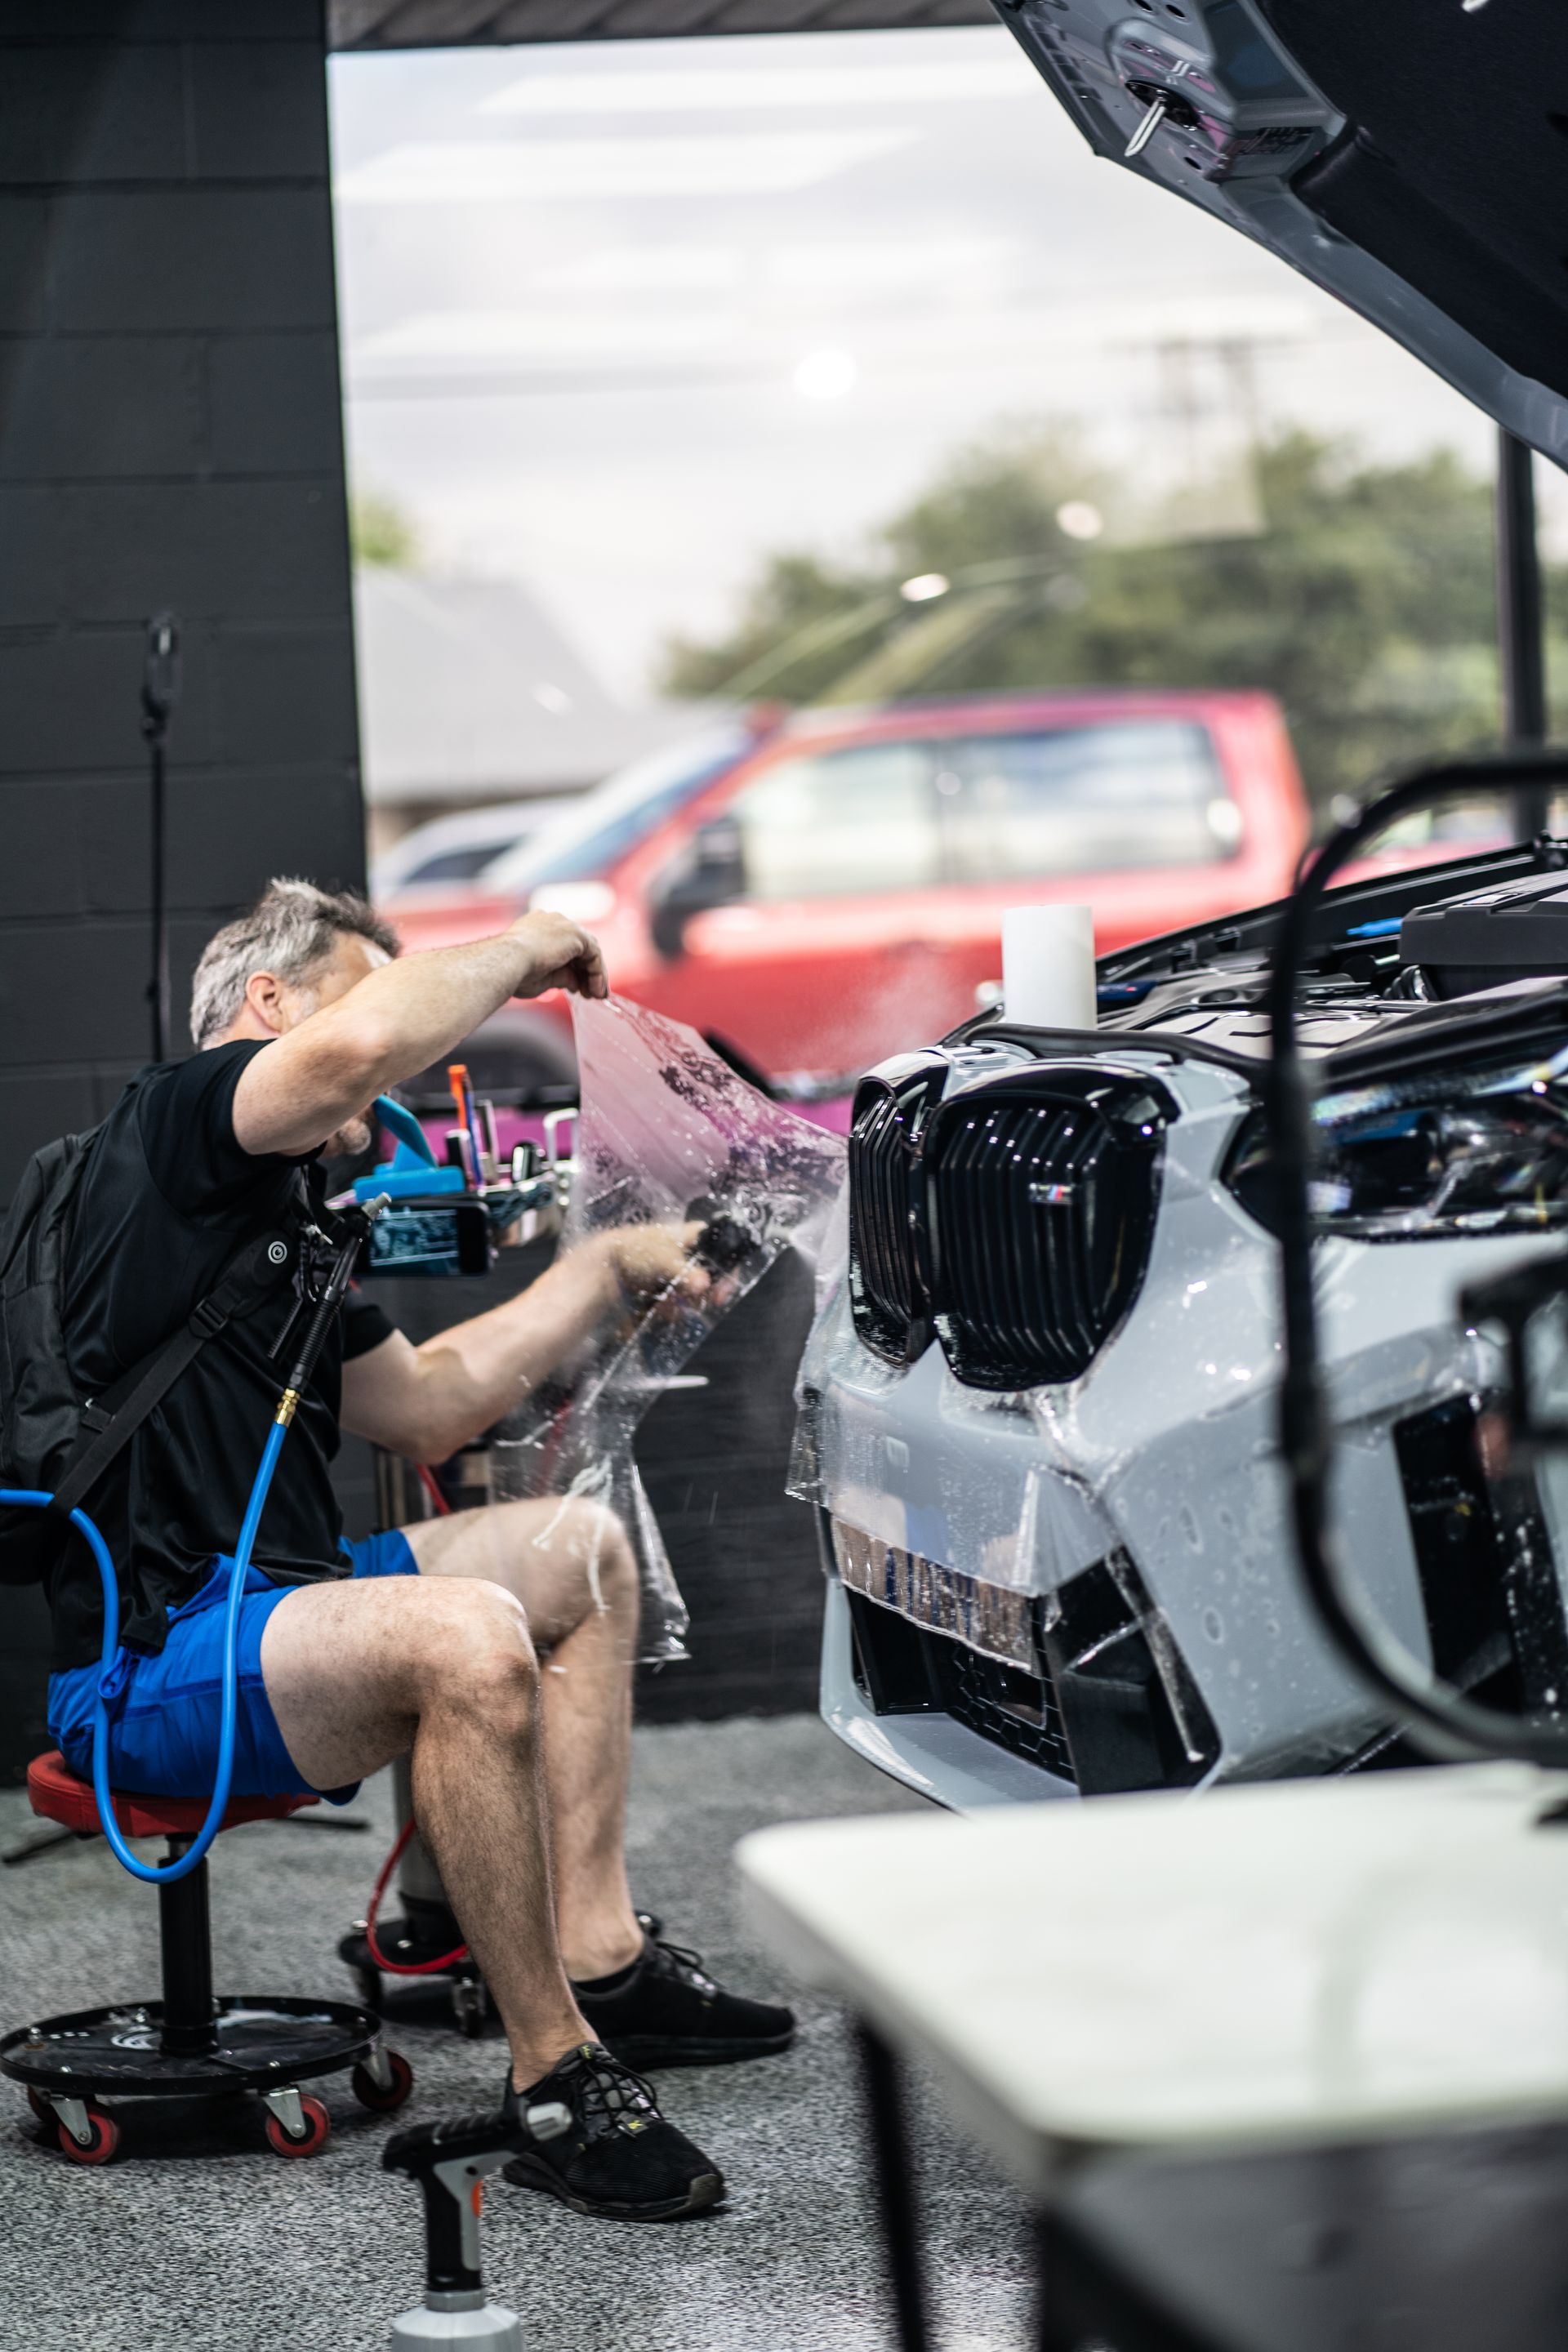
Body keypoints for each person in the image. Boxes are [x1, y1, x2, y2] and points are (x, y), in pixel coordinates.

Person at [43, 878, 794, 2223]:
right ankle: (555, 2073)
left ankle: (597, 1955)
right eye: (363, 991)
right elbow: (346, 1051)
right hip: (158, 1661)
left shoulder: (272, 1231)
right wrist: (519, 949)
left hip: (288, 1610)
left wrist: (605, 1262)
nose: (398, 1045)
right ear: (264, 1009)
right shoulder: (175, 1124)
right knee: (466, 1635)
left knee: (578, 1552)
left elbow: (434, 1400)